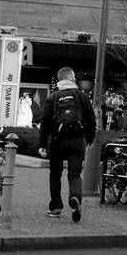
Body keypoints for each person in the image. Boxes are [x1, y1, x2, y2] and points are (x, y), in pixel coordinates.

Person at [37, 67, 97, 223]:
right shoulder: (82, 96)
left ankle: (55, 207)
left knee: (55, 174)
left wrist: (42, 144)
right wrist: (89, 139)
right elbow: (91, 120)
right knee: (74, 175)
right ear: (72, 78)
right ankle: (75, 197)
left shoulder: (53, 97)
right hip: (77, 141)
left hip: (57, 141)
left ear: (59, 79)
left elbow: (45, 122)